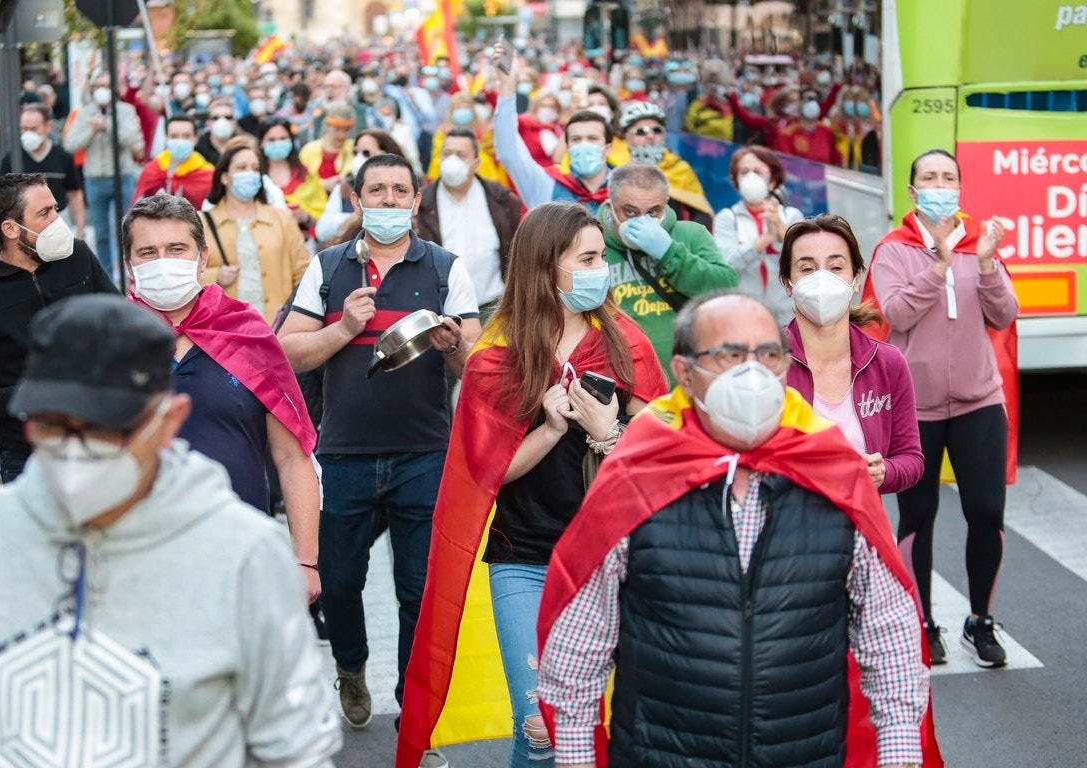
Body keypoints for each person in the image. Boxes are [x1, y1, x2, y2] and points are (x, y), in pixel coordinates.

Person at [534, 293, 941, 768]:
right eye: (729, 355)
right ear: (684, 373)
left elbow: (888, 637)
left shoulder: (833, 472)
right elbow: (579, 653)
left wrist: (899, 755)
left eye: (769, 355)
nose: (754, 373)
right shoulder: (637, 476)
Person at [0, 295, 343, 768]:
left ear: (167, 421)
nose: (76, 449)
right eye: (51, 425)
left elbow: (294, 749)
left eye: (106, 429)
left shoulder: (244, 555)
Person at [396, 202, 667, 768]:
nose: (600, 270)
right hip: (525, 560)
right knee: (539, 727)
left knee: (608, 726)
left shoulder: (626, 343)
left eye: (602, 257)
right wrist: (548, 429)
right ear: (546, 267)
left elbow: (660, 453)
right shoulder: (495, 358)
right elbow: (484, 471)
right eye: (587, 259)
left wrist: (608, 430)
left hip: (614, 561)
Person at [276, 153, 479, 740]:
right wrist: (341, 328)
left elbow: (476, 366)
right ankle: (350, 665)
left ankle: (412, 703)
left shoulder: (445, 268)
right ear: (357, 198)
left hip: (424, 454)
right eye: (377, 191)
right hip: (343, 454)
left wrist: (450, 346)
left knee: (419, 590)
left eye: (399, 192)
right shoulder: (328, 266)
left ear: (417, 201)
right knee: (338, 583)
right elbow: (285, 350)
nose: (388, 202)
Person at [123, 193, 321, 602]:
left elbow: (291, 455)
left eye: (176, 249)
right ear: (129, 263)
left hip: (240, 560)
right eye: (148, 252)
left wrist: (305, 562)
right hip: (136, 564)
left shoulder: (247, 333)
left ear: (202, 256)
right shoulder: (107, 340)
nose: (163, 261)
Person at [868, 149, 1019, 668]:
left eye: (948, 177)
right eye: (929, 178)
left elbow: (1004, 314)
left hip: (980, 401)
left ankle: (980, 621)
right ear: (912, 192)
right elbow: (895, 315)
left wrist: (989, 264)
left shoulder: (981, 244)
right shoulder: (894, 249)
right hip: (916, 409)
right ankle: (922, 622)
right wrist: (937, 266)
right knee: (918, 515)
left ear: (960, 186)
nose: (940, 185)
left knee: (985, 512)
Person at [0, 173, 118, 483]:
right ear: (10, 229)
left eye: (55, 208)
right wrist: (34, 396)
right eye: (44, 213)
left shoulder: (78, 256)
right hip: (28, 457)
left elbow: (121, 323)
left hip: (104, 440)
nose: (57, 220)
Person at [778, 214, 924, 495]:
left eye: (835, 267)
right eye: (807, 269)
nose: (822, 279)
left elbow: (911, 459)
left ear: (855, 280)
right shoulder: (765, 366)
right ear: (788, 283)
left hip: (862, 528)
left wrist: (884, 473)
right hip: (786, 531)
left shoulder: (887, 363)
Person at [598, 163, 736, 374]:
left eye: (653, 212)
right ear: (610, 207)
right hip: (622, 381)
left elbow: (726, 287)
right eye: (630, 212)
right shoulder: (594, 244)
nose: (642, 221)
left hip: (686, 378)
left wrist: (668, 252)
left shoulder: (690, 234)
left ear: (665, 205)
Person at [414, 127, 523, 321]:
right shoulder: (421, 204)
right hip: (440, 311)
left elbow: (518, 251)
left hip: (492, 309)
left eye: (460, 155)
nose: (452, 161)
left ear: (476, 163)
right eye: (447, 154)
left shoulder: (502, 201)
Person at [492, 42, 612, 211]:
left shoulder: (624, 187)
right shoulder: (547, 184)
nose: (584, 144)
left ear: (607, 148)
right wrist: (508, 86)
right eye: (576, 139)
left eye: (592, 138)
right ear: (567, 147)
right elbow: (509, 153)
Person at [200, 141, 311, 323]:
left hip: (277, 326)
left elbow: (303, 273)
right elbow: (186, 275)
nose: (250, 173)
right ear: (225, 177)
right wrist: (215, 276)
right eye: (242, 167)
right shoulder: (202, 222)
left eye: (255, 168)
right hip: (223, 330)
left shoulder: (282, 218)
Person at [713, 145, 805, 325]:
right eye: (744, 172)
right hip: (743, 313)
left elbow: (804, 261)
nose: (751, 177)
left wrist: (780, 229)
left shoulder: (792, 215)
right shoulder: (727, 218)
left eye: (758, 171)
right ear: (736, 181)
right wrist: (764, 239)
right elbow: (726, 265)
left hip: (789, 315)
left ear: (772, 180)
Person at [62, 72, 144, 274]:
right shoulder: (85, 112)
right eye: (98, 86)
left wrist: (107, 125)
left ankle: (129, 274)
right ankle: (106, 274)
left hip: (122, 176)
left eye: (106, 86)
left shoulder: (125, 110)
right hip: (95, 178)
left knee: (126, 228)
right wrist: (91, 131)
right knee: (101, 232)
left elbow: (132, 139)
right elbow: (70, 143)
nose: (102, 90)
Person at [614, 102, 715, 227]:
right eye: (641, 132)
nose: (650, 136)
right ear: (626, 137)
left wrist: (688, 241)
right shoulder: (614, 167)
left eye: (657, 130)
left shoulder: (679, 167)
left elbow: (701, 213)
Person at [0, 104, 86, 234]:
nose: (28, 133)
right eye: (24, 128)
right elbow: (2, 197)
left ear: (48, 127)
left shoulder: (62, 157)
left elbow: (75, 194)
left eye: (33, 129)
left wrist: (80, 229)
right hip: (23, 227)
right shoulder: (11, 159)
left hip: (58, 223)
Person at [258, 115, 328, 230]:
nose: (278, 143)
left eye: (283, 138)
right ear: (261, 142)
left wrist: (305, 217)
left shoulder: (306, 174)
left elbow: (324, 218)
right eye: (271, 140)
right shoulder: (255, 176)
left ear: (291, 140)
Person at [133, 114, 216, 209]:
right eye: (174, 136)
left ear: (196, 139)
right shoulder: (152, 170)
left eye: (186, 136)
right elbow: (137, 208)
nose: (180, 141)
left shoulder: (208, 175)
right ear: (166, 138)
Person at [776, 86, 842, 165]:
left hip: (824, 176)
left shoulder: (827, 131)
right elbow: (786, 165)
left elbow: (836, 161)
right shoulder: (787, 134)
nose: (813, 103)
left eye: (815, 100)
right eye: (808, 99)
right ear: (799, 103)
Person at [300, 104, 355, 194]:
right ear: (327, 126)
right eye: (337, 129)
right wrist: (322, 184)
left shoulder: (355, 148)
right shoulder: (309, 150)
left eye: (346, 130)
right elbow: (299, 180)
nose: (341, 135)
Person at [517, 90, 565, 167]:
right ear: (535, 108)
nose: (548, 110)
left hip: (554, 173)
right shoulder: (523, 123)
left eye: (552, 106)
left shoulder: (559, 128)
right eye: (543, 106)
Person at [194, 96, 243, 166]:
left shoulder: (243, 145)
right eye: (215, 118)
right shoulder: (198, 148)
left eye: (228, 117)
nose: (222, 122)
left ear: (234, 121)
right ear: (208, 122)